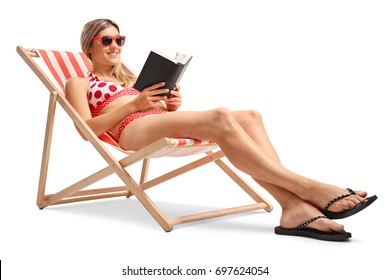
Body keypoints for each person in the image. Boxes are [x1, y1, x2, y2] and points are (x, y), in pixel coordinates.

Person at [65, 18, 377, 241]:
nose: (115, 45)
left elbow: (154, 110)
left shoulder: (132, 80)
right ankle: (308, 188)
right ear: (88, 47)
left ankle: (294, 208)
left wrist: (168, 103)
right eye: (106, 40)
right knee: (220, 116)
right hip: (129, 131)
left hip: (150, 121)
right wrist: (135, 105)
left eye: (119, 39)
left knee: (250, 117)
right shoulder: (79, 83)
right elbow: (85, 129)